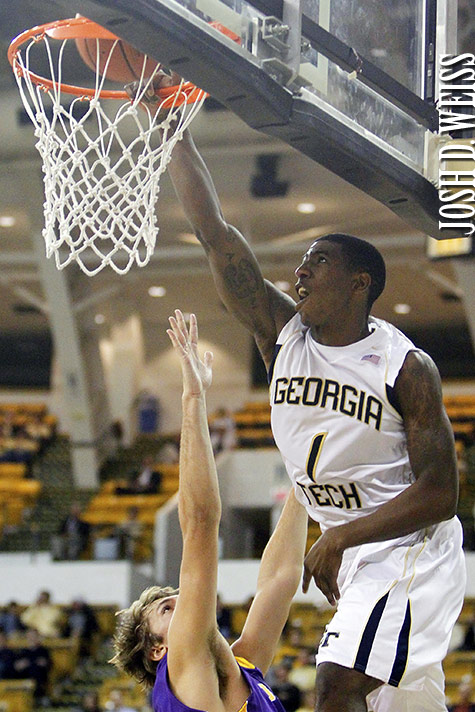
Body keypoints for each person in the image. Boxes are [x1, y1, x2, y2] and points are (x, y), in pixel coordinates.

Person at [149, 70, 466, 711]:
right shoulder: (281, 334)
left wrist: (340, 536)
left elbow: (441, 494)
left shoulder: (405, 367)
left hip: (409, 550)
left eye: (317, 262)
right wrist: (170, 126)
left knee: (336, 681)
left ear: (359, 283)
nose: (299, 273)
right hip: (350, 553)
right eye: (300, 263)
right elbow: (216, 234)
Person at [110, 310, 308, 712]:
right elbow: (200, 522)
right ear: (158, 650)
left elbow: (281, 579)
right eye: (167, 609)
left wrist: (306, 470)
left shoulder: (242, 666)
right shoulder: (180, 664)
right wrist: (193, 398)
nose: (186, 600)